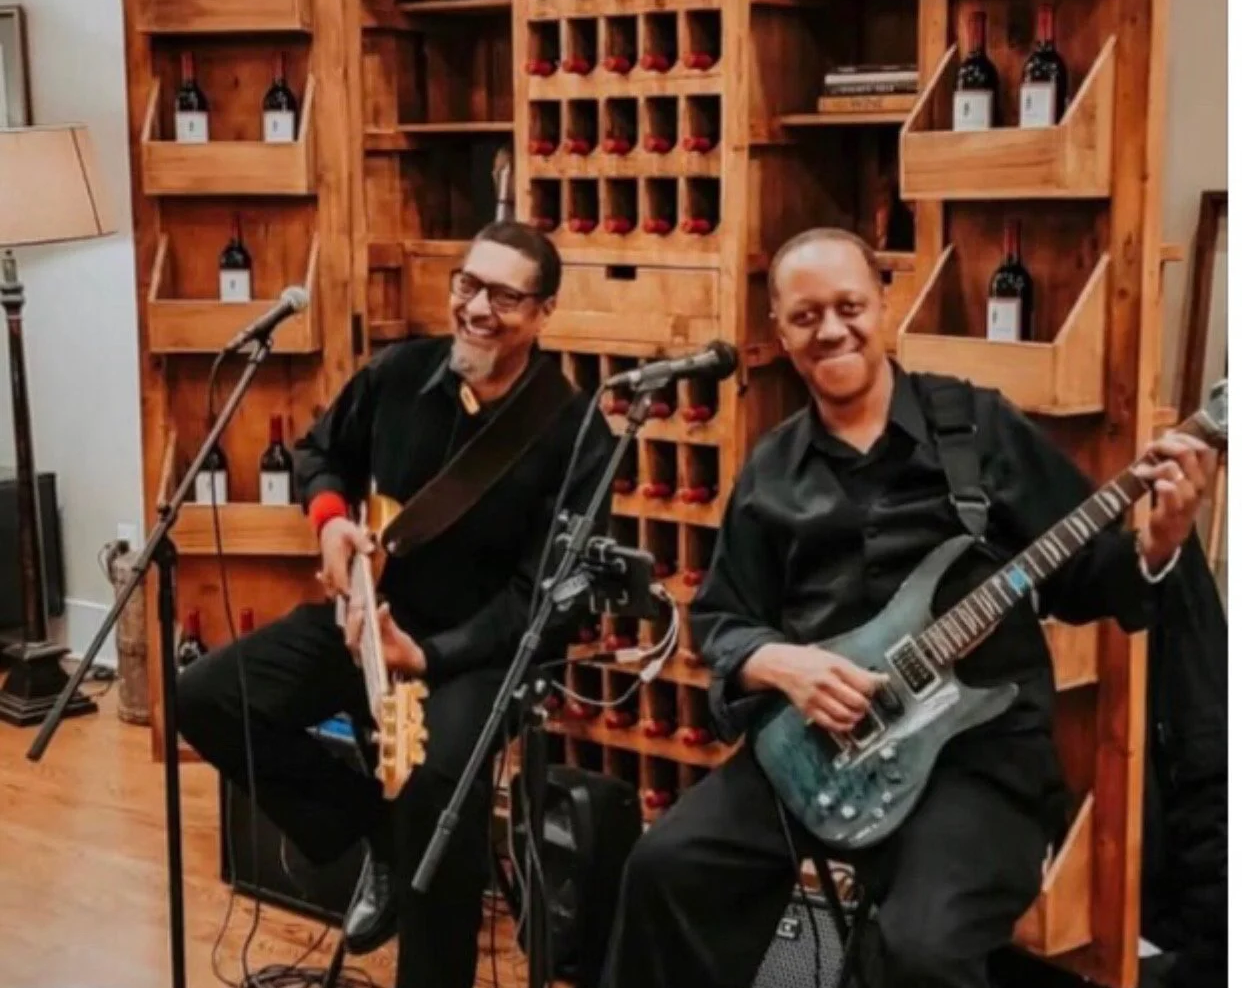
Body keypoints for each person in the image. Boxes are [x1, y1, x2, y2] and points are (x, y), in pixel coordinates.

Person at [600, 227, 1215, 988]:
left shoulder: (976, 428)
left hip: (974, 762)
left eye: (849, 305)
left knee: (921, 953)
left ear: (883, 302)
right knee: (665, 868)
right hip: (821, 752)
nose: (831, 329)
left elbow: (1087, 575)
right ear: (780, 332)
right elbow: (721, 620)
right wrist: (780, 663)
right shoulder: (771, 470)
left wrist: (1159, 540)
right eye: (806, 315)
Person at [177, 220, 612, 988]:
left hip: (477, 654)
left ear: (543, 312)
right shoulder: (398, 374)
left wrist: (431, 656)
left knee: (436, 789)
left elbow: (544, 601)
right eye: (468, 285)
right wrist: (332, 521)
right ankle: (370, 826)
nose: (478, 308)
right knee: (209, 695)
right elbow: (320, 453)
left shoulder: (576, 433)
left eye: (505, 296)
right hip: (370, 620)